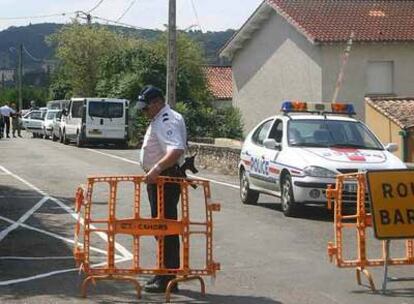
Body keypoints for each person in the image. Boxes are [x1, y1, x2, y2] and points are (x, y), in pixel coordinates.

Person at [137, 85, 187, 293]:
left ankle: (168, 276)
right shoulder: (159, 118)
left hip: (165, 180)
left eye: (146, 107)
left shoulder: (167, 119)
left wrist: (156, 169)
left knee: (165, 228)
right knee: (160, 227)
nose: (143, 111)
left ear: (157, 102)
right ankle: (162, 272)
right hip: (159, 180)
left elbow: (176, 149)